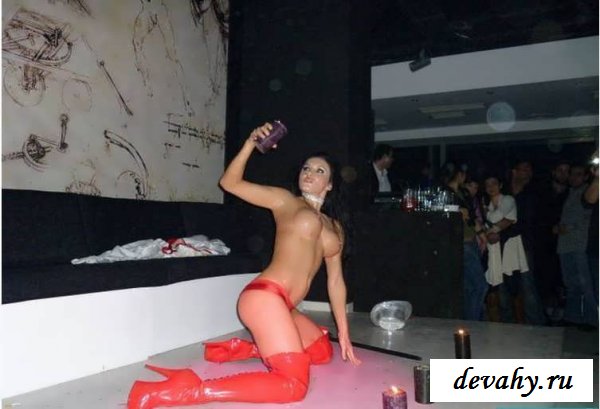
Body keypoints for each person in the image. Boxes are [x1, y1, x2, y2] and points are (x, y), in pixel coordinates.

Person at [127, 122, 360, 408]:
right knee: (293, 386)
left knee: (322, 352)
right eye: (306, 168)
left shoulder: (335, 227)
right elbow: (230, 183)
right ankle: (188, 390)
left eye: (319, 171)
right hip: (265, 297)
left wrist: (344, 332)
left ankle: (248, 348)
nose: (309, 173)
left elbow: (335, 281)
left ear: (331, 184)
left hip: (286, 305)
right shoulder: (286, 201)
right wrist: (250, 143)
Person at [442, 163, 488, 321]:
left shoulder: (463, 193)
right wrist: (456, 211)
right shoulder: (444, 193)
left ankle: (470, 321)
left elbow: (471, 217)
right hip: (460, 242)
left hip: (470, 241)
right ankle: (473, 322)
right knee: (480, 285)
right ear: (458, 174)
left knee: (469, 287)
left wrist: (481, 234)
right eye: (463, 174)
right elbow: (441, 216)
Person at [483, 174, 531, 324]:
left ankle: (520, 324)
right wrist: (500, 225)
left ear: (500, 185)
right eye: (488, 185)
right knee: (496, 289)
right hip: (494, 249)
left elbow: (496, 218)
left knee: (514, 288)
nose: (491, 187)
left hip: (509, 248)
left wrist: (492, 227)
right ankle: (502, 324)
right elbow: (501, 220)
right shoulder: (486, 204)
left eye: (494, 183)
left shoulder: (508, 200)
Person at [556, 164, 596, 328]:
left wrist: (569, 227)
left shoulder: (589, 191)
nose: (574, 177)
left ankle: (592, 319)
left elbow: (590, 217)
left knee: (586, 284)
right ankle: (573, 317)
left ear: (586, 176)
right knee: (571, 283)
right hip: (565, 245)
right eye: (572, 174)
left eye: (579, 174)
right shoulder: (568, 192)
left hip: (581, 244)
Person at [534, 160, 570, 322]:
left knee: (564, 279)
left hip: (567, 244)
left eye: (566, 171)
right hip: (545, 244)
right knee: (546, 278)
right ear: (554, 172)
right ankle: (547, 313)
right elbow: (536, 218)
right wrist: (550, 228)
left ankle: (564, 312)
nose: (563, 174)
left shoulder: (571, 193)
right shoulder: (542, 192)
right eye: (560, 170)